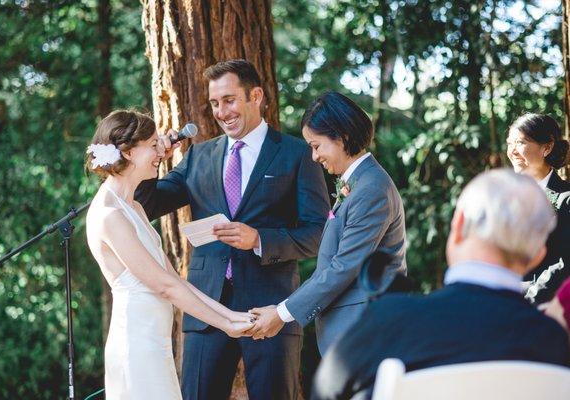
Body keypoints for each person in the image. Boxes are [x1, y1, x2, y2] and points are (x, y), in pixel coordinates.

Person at [135, 59, 330, 400]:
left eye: (229, 100)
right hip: (205, 308)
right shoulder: (198, 157)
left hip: (269, 311)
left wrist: (260, 239)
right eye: (214, 103)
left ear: (256, 96)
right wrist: (153, 161)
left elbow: (318, 234)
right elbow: (145, 205)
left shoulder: (297, 154)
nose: (222, 112)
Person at [312, 169, 570, 400]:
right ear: (538, 254)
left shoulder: (389, 320)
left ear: (457, 226)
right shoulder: (554, 343)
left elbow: (324, 393)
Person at [85, 110, 253, 399]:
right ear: (127, 152)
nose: (159, 151)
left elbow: (175, 280)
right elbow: (165, 287)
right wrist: (226, 326)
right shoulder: (109, 214)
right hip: (135, 344)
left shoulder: (134, 208)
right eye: (152, 144)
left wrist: (233, 316)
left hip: (154, 341)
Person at [249, 91, 407, 355]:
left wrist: (282, 313)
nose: (314, 157)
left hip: (366, 333)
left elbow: (343, 267)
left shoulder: (371, 190)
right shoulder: (359, 184)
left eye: (316, 145)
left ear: (342, 137)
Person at [506, 113, 570, 304]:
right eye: (510, 143)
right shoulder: (505, 197)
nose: (513, 151)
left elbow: (565, 263)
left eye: (520, 143)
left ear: (547, 147)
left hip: (546, 305)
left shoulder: (566, 199)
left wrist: (530, 301)